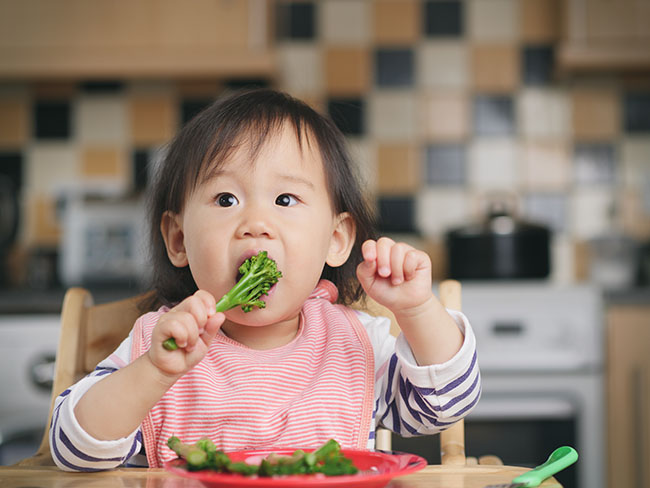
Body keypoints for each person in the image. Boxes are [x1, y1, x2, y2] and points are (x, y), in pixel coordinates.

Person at [50, 89, 480, 471]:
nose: (256, 223)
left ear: (335, 239)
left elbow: (442, 406)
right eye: (226, 199)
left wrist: (417, 309)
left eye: (285, 199)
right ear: (178, 239)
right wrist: (153, 373)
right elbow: (73, 450)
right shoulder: (160, 346)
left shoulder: (355, 343)